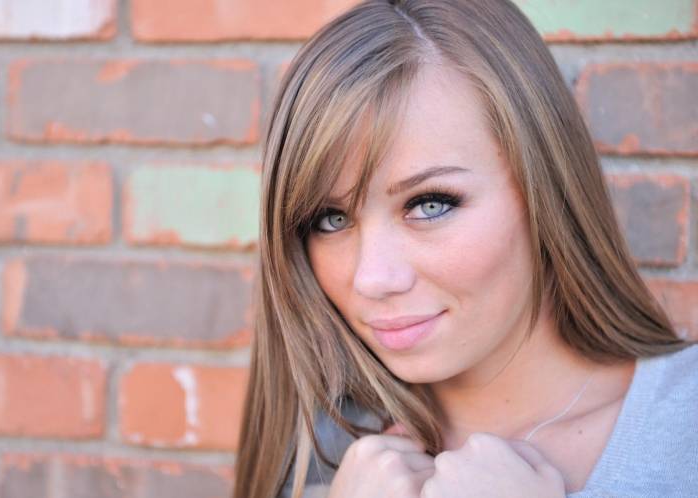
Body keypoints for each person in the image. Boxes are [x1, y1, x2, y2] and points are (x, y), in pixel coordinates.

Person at [233, 1, 698, 497]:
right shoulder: (319, 452)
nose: (372, 278)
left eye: (429, 204)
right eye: (331, 219)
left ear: (545, 187)